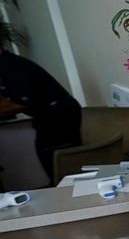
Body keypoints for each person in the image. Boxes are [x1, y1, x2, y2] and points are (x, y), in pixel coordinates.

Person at [0, 49, 81, 185]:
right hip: (51, 112)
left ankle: (67, 192)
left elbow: (13, 104)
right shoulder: (7, 64)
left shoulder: (12, 66)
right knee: (54, 160)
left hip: (58, 113)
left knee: (60, 164)